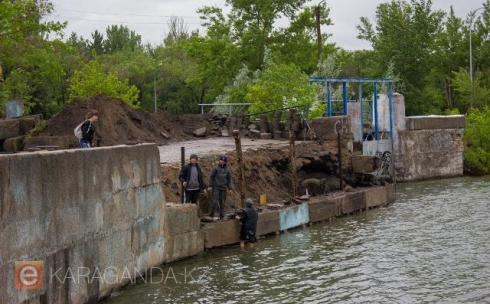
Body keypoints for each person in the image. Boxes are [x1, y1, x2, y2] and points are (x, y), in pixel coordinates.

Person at [209, 155, 232, 220]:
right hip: (216, 187)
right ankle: (211, 214)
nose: (222, 161)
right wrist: (210, 185)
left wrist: (230, 188)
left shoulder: (227, 170)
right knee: (215, 201)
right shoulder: (215, 168)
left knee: (222, 202)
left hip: (224, 188)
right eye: (221, 160)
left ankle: (221, 215)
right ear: (219, 160)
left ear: (225, 162)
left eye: (223, 161)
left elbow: (229, 179)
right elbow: (211, 177)